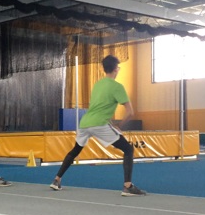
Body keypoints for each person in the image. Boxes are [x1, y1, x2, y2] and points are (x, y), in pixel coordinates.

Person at [49, 54, 146, 196]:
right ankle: (128, 186)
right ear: (116, 69)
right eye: (118, 68)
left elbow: (99, 107)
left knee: (75, 150)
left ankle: (56, 179)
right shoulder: (117, 86)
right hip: (99, 124)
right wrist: (119, 125)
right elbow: (130, 112)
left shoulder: (97, 84)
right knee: (128, 149)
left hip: (85, 122)